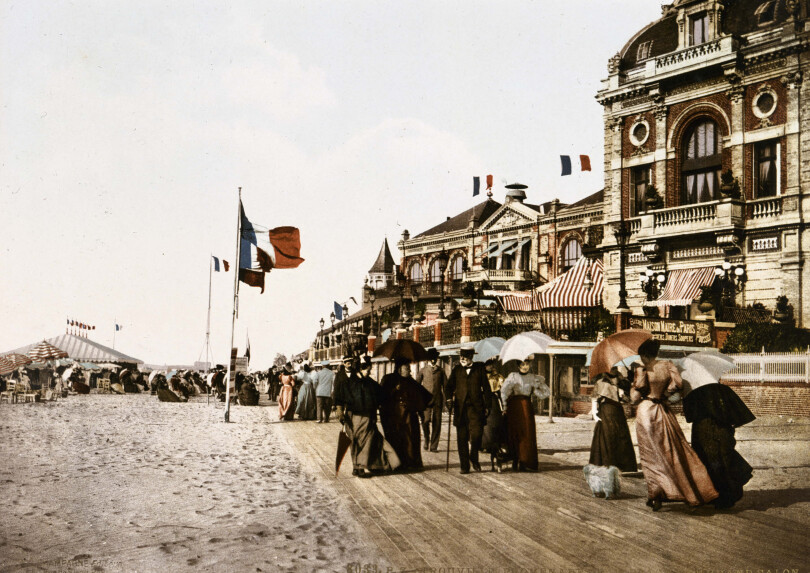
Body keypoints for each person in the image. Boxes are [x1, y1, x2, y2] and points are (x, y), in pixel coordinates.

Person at [632, 339, 718, 511]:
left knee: (651, 455)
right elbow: (678, 384)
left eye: (642, 356)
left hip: (646, 412)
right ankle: (687, 490)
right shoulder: (668, 365)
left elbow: (637, 394)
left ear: (645, 355)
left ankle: (657, 493)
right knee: (674, 449)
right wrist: (664, 393)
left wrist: (636, 382)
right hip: (663, 410)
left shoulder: (642, 369)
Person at [683, 374, 756, 509]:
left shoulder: (695, 393)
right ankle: (728, 495)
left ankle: (713, 495)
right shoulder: (724, 390)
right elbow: (738, 415)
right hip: (722, 431)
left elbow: (689, 416)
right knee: (724, 460)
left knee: (707, 462)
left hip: (703, 431)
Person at [334, 355, 400, 477]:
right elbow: (339, 397)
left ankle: (361, 466)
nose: (369, 372)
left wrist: (394, 391)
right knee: (354, 442)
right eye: (367, 370)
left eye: (369, 370)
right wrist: (339, 411)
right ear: (360, 369)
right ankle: (356, 466)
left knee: (365, 442)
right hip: (353, 416)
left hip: (367, 417)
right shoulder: (348, 382)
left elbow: (382, 395)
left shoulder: (370, 383)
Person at [380, 358, 432, 471]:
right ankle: (397, 464)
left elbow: (423, 394)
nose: (409, 370)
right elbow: (382, 397)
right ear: (399, 369)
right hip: (394, 417)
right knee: (396, 439)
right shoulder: (389, 379)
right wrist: (394, 390)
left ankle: (411, 463)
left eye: (409, 368)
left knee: (410, 439)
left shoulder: (411, 381)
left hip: (409, 417)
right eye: (407, 368)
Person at [446, 345, 491, 474]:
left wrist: (488, 406)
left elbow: (487, 389)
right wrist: (449, 400)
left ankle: (474, 456)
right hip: (460, 409)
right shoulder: (456, 370)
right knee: (462, 438)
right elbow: (448, 388)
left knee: (477, 435)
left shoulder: (479, 369)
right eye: (461, 356)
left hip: (476, 409)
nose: (462, 359)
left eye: (465, 356)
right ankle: (464, 466)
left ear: (471, 357)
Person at [501, 356, 549, 472]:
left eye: (526, 364)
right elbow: (504, 392)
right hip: (515, 407)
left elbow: (545, 394)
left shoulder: (533, 378)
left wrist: (536, 389)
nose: (525, 367)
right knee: (516, 433)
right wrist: (504, 406)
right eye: (522, 365)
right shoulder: (513, 376)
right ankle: (515, 459)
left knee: (527, 432)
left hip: (527, 407)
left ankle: (526, 461)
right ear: (518, 366)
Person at [588, 366, 637, 473]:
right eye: (611, 369)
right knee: (607, 435)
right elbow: (595, 398)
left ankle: (623, 464)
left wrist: (626, 386)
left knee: (621, 435)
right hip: (606, 411)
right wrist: (595, 412)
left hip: (617, 411)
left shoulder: (621, 382)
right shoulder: (601, 382)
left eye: (614, 368)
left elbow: (629, 399)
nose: (613, 370)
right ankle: (607, 462)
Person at [415, 348, 447, 452]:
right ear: (428, 359)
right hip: (425, 401)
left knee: (437, 423)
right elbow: (417, 386)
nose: (433, 360)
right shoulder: (423, 370)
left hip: (438, 400)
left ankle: (434, 446)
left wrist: (447, 401)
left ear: (437, 359)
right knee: (425, 421)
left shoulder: (441, 371)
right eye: (431, 358)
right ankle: (426, 439)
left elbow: (445, 387)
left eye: (434, 358)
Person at [481, 358, 509, 471]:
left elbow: (503, 389)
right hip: (483, 401)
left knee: (496, 428)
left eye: (492, 365)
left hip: (494, 403)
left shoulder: (497, 376)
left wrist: (504, 406)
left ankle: (497, 454)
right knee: (486, 428)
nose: (491, 367)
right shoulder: (481, 376)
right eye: (489, 365)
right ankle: (484, 445)